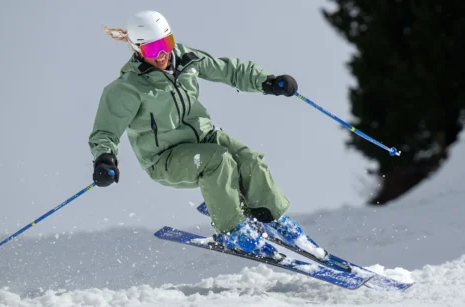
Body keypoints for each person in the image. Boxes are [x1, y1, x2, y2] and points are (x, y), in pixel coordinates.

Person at [88, 10, 322, 260]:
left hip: (204, 137)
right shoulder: (127, 88)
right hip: (164, 158)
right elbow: (105, 130)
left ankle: (271, 216)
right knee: (218, 161)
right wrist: (105, 158)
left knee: (248, 159)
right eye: (152, 50)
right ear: (137, 49)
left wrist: (266, 81)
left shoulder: (186, 58)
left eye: (165, 44)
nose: (162, 55)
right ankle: (232, 230)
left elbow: (228, 70)